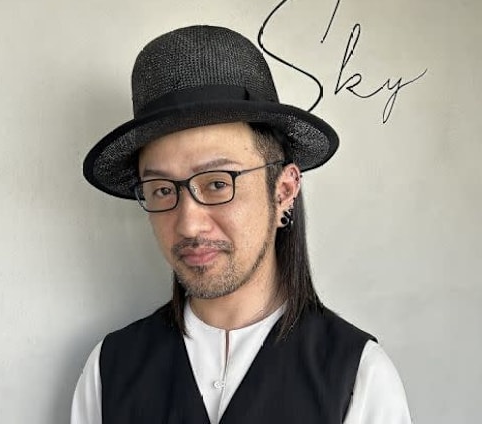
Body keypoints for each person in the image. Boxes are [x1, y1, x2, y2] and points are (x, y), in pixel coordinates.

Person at [72, 25, 412, 424]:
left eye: (218, 183)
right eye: (162, 190)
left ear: (284, 189)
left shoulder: (358, 376)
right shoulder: (109, 371)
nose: (189, 224)